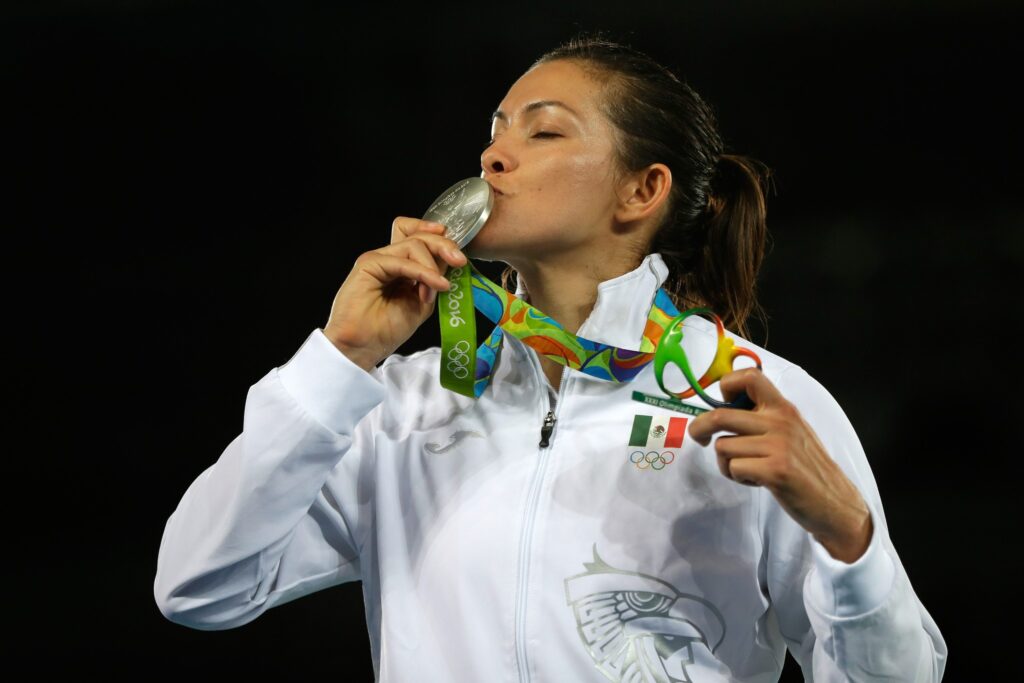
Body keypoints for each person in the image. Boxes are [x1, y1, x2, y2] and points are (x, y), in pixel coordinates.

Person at [154, 34, 947, 682]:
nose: (495, 155)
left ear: (642, 191)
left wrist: (851, 541)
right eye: (495, 129)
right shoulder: (405, 404)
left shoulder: (750, 398)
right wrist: (341, 360)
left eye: (543, 129)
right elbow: (197, 584)